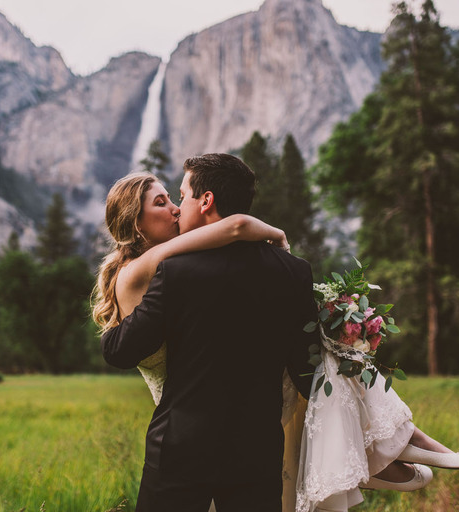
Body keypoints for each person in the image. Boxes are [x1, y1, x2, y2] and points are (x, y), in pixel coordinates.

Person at [98, 154, 319, 512]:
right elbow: (308, 371)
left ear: (207, 200)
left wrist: (110, 335)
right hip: (257, 448)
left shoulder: (176, 272)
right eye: (166, 200)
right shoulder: (295, 272)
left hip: (182, 447)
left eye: (180, 196)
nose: (176, 207)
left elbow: (121, 351)